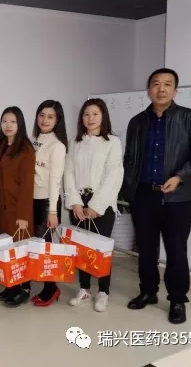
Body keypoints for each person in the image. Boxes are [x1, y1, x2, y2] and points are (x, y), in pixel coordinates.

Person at [123, 68, 191, 324]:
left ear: (175, 90)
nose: (161, 89)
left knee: (176, 250)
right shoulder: (137, 121)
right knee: (146, 249)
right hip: (143, 196)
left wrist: (179, 177)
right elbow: (130, 158)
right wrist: (131, 190)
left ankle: (177, 300)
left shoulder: (190, 118)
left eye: (167, 84)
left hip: (177, 198)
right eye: (156, 84)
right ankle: (148, 291)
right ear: (148, 90)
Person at [64, 98, 123, 312]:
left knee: (100, 250)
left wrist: (96, 205)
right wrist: (75, 202)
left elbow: (114, 174)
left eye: (95, 114)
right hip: (79, 203)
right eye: (86, 114)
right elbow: (68, 173)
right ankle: (84, 289)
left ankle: (103, 292)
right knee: (82, 248)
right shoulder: (75, 141)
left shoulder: (113, 142)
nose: (90, 118)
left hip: (102, 204)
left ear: (103, 116)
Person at [29, 100, 68, 307]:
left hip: (46, 202)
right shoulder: (33, 140)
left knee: (45, 248)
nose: (45, 120)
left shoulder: (57, 146)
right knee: (35, 245)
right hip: (30, 199)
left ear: (57, 120)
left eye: (50, 117)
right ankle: (40, 285)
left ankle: (51, 288)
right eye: (42, 115)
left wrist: (52, 211)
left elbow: (55, 181)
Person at [0, 106, 35, 307]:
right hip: (3, 209)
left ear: (20, 124)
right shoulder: (1, 145)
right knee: (7, 249)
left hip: (19, 210)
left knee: (21, 249)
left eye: (13, 121)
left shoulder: (26, 149)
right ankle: (11, 285)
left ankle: (24, 288)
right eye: (4, 121)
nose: (8, 125)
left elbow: (27, 186)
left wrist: (23, 215)